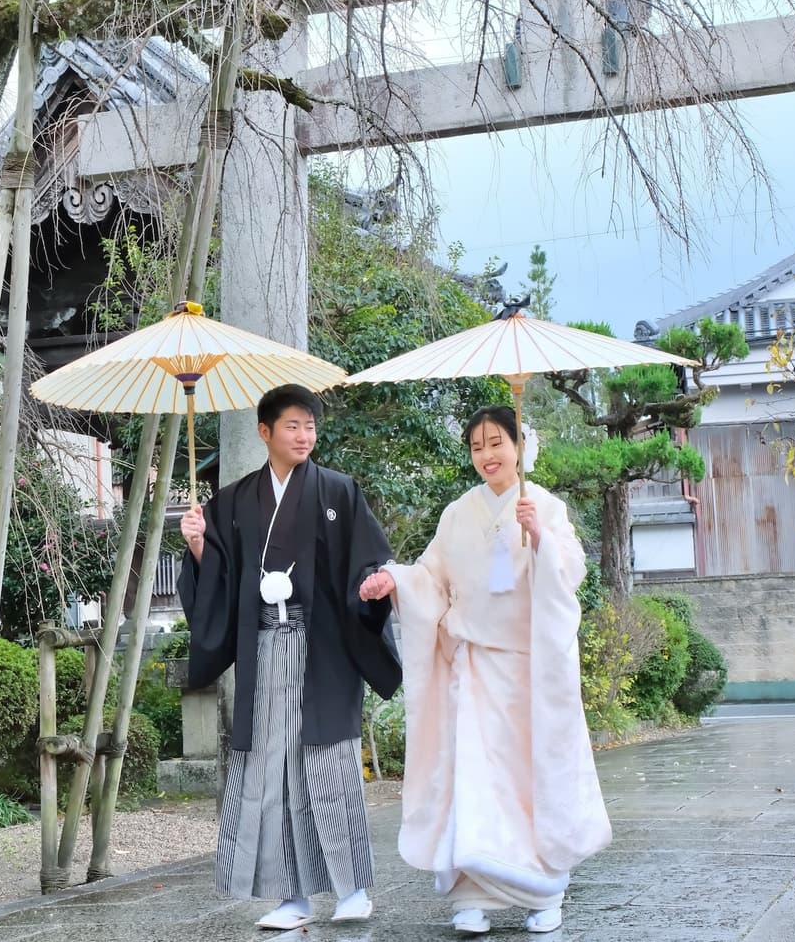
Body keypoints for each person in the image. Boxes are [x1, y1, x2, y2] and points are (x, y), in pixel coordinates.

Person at [358, 405, 611, 935]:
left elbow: (570, 573)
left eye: (497, 443)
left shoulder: (545, 505)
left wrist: (539, 536)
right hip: (470, 667)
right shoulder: (458, 513)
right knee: (468, 778)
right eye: (477, 447)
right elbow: (431, 576)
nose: (487, 455)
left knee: (526, 778)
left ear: (519, 446)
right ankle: (470, 895)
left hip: (525, 670)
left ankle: (543, 893)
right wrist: (394, 580)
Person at [178, 383, 402, 930]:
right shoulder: (233, 500)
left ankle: (352, 889)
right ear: (265, 432)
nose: (304, 436)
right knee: (271, 771)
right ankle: (290, 897)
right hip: (263, 651)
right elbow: (221, 579)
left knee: (329, 766)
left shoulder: (338, 491)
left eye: (310, 426)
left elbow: (368, 562)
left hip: (323, 650)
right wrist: (200, 545)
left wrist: (375, 585)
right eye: (292, 426)